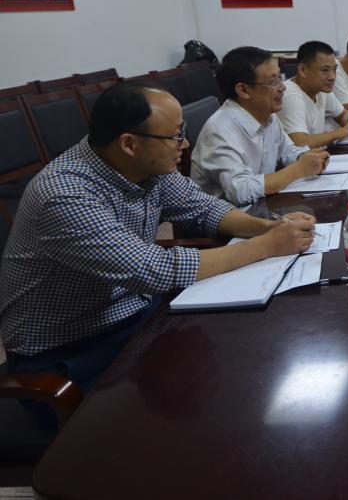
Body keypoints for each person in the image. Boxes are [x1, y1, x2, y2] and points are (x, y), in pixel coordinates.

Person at [0, 83, 316, 393]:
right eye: (175, 135)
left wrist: (268, 227)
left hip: (138, 315)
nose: (185, 143)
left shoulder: (143, 165)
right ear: (129, 144)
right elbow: (154, 270)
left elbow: (204, 208)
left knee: (245, 357)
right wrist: (266, 246)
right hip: (72, 353)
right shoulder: (64, 194)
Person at [190, 46, 328, 206]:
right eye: (273, 81)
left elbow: (287, 151)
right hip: (227, 216)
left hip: (261, 205)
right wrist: (299, 169)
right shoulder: (220, 131)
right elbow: (240, 192)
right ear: (243, 90)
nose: (282, 87)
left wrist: (304, 157)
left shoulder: (268, 115)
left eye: (280, 77)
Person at [278, 40, 348, 147]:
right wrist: (340, 133)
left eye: (334, 69)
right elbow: (300, 142)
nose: (332, 77)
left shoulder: (322, 89)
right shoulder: (290, 94)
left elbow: (343, 115)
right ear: (303, 70)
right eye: (325, 70)